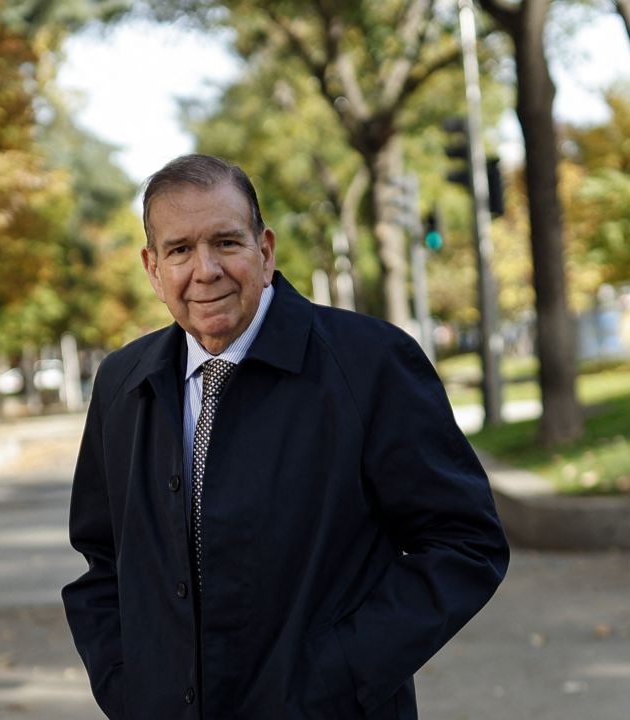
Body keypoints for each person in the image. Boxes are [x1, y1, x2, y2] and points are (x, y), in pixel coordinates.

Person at [62, 154, 509, 719]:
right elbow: (102, 559)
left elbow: (464, 545)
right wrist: (127, 686)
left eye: (226, 242)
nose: (205, 270)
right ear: (153, 269)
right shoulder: (122, 382)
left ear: (265, 251)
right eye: (179, 250)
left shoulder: (370, 363)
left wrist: (339, 675)